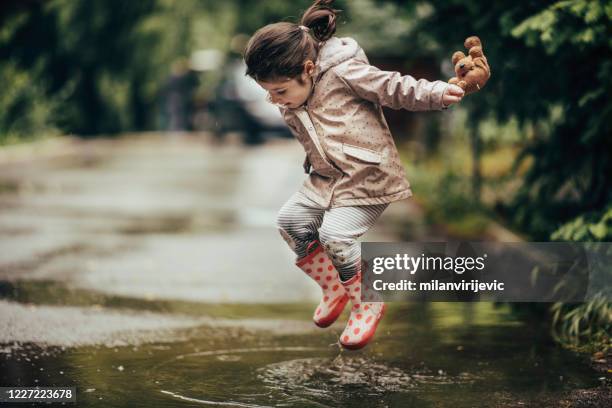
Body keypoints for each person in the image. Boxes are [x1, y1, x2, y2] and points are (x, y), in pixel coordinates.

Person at [243, 0, 464, 350]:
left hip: (367, 175)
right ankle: (334, 287)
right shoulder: (291, 99)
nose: (277, 101)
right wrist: (289, 104)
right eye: (269, 93)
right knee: (290, 222)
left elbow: (394, 87)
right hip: (327, 178)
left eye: (281, 91)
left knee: (335, 234)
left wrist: (438, 93)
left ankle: (367, 300)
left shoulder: (346, 71)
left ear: (309, 68)